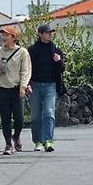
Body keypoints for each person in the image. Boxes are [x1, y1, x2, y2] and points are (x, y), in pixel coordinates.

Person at [0, 26, 32, 155]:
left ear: (14, 37)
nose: (4, 38)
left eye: (7, 35)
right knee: (5, 118)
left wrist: (23, 87)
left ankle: (16, 136)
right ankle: (8, 145)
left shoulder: (22, 52)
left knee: (19, 118)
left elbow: (26, 71)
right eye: (3, 35)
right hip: (2, 89)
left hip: (17, 89)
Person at [28, 24, 65, 152]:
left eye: (51, 33)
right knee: (35, 115)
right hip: (34, 84)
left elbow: (62, 69)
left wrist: (58, 60)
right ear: (40, 34)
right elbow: (27, 69)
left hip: (51, 85)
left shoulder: (56, 50)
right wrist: (26, 84)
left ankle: (48, 141)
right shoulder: (32, 50)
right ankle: (38, 141)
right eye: (47, 32)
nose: (50, 34)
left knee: (49, 112)